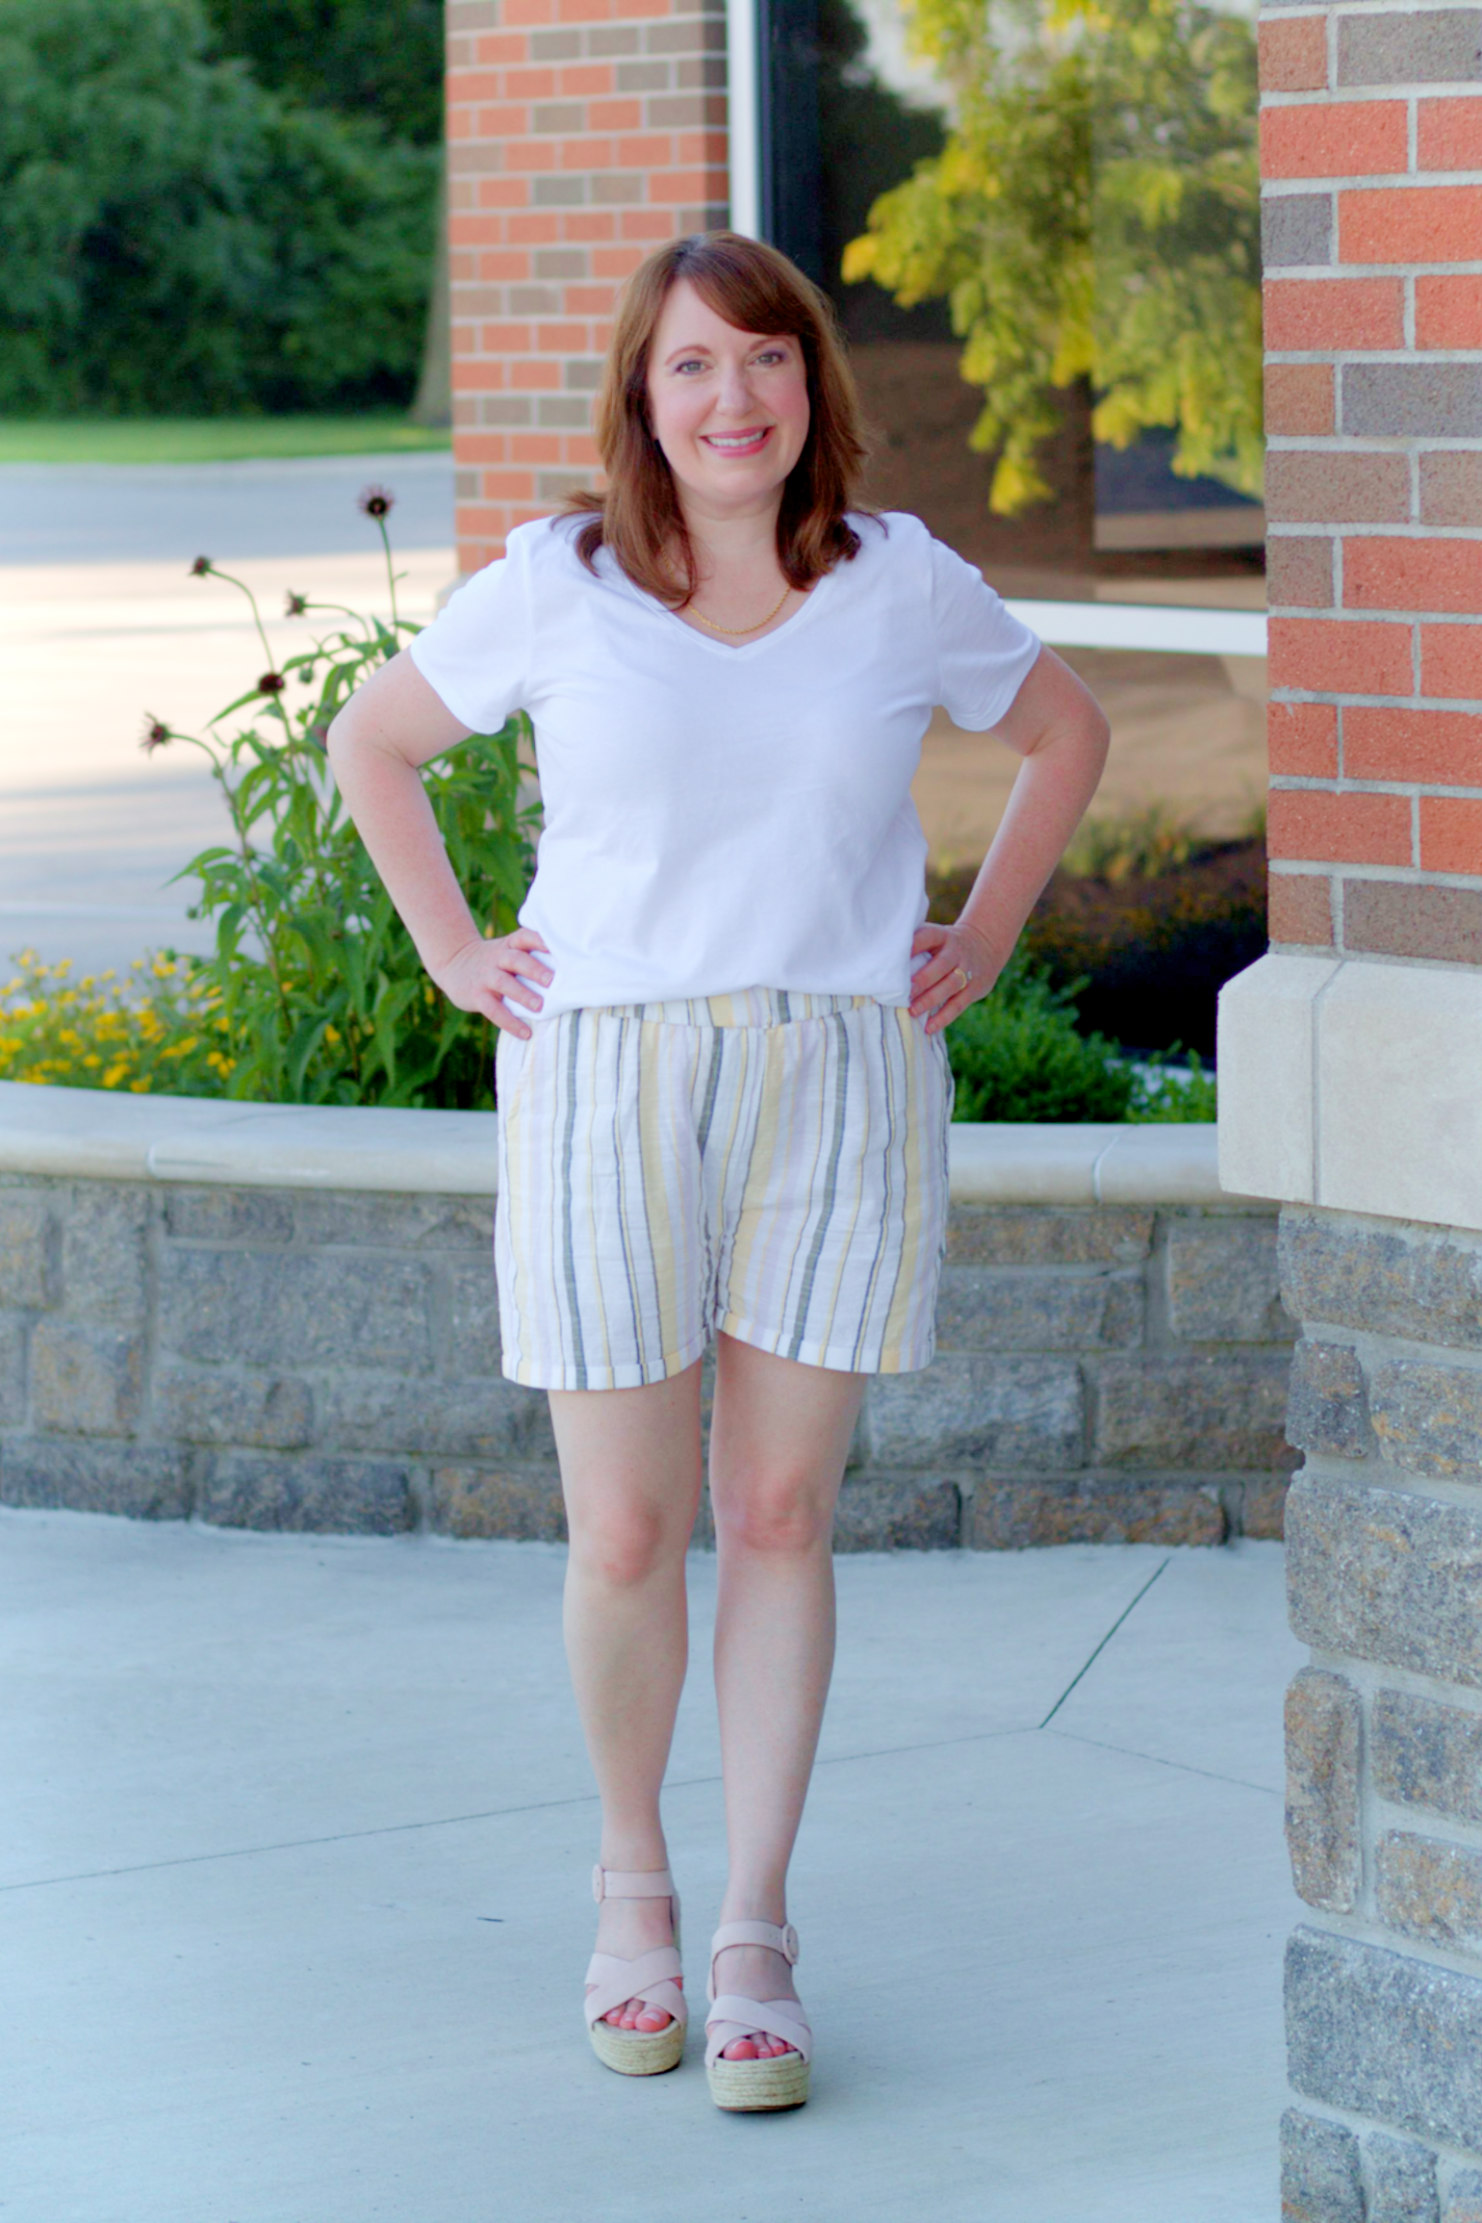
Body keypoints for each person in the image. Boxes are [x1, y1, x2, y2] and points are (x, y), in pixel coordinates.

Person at [327, 230, 1109, 2114]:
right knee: (622, 1533)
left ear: (807, 390)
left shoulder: (897, 585)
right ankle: (632, 1896)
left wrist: (984, 939)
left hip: (834, 1073)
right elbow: (378, 740)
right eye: (691, 367)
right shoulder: (556, 586)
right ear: (641, 400)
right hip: (607, 1077)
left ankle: (754, 1925)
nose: (732, 399)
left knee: (773, 1519)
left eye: (763, 361)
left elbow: (1062, 733)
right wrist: (451, 952)